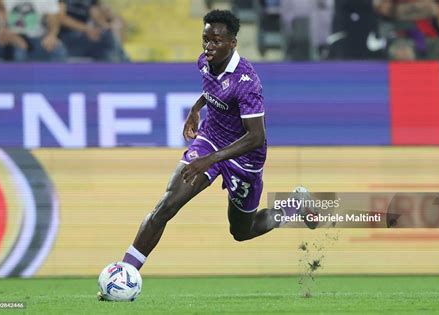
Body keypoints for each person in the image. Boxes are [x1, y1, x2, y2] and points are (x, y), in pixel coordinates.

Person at [98, 9, 316, 300]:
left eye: (217, 41)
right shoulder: (205, 62)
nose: (209, 46)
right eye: (206, 39)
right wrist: (196, 109)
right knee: (167, 204)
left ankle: (293, 205)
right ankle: (126, 272)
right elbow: (212, 90)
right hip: (210, 140)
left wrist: (211, 160)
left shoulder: (247, 82)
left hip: (244, 159)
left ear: (232, 44)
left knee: (242, 231)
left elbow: (256, 136)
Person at [0, 0, 67, 62]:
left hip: (39, 37)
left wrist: (52, 35)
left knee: (58, 49)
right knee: (18, 51)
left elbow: (53, 18)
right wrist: (4, 30)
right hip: (12, 35)